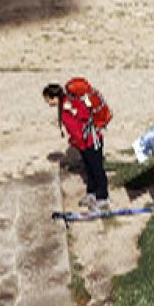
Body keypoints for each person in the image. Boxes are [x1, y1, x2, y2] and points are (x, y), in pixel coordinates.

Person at [43, 83, 109, 211]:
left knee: (97, 170)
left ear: (54, 97)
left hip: (91, 141)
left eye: (47, 99)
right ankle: (92, 193)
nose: (47, 102)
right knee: (89, 169)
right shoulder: (65, 104)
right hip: (84, 143)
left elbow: (80, 123)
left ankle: (103, 197)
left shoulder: (69, 105)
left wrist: (73, 140)